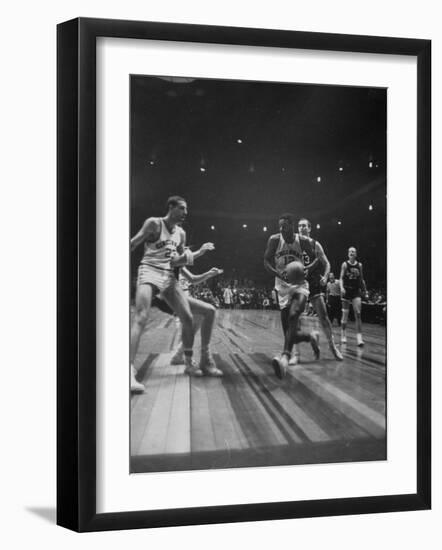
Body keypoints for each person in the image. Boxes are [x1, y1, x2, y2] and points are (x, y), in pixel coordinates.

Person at [130, 195, 214, 392]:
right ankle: (128, 371)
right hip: (149, 270)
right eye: (182, 208)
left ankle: (187, 362)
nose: (186, 212)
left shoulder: (181, 234)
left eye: (187, 209)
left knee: (187, 317)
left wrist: (197, 254)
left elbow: (177, 260)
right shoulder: (154, 224)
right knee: (141, 316)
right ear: (171, 207)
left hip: (169, 276)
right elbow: (133, 243)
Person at [264, 213, 320, 379]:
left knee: (294, 314)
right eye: (279, 226)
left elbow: (317, 258)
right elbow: (266, 261)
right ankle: (311, 336)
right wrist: (279, 274)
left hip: (300, 285)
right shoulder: (274, 240)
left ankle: (284, 359)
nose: (281, 229)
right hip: (282, 286)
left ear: (292, 226)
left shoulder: (302, 241)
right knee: (290, 332)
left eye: (285, 226)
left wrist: (308, 269)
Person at [297, 219, 343, 361]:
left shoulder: (315, 244)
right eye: (299, 226)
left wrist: (325, 276)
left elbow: (327, 263)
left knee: (323, 317)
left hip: (314, 282)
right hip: (299, 282)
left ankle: (332, 346)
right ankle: (296, 354)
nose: (301, 228)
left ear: (309, 228)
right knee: (296, 318)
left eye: (304, 225)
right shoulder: (294, 242)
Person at [168, 266, 224, 377]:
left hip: (181, 295)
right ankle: (202, 360)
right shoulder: (168, 257)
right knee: (204, 314)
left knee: (198, 317)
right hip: (170, 295)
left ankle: (179, 355)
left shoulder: (179, 264)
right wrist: (199, 252)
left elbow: (193, 279)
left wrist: (208, 273)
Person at [339, 246, 368, 346]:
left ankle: (359, 338)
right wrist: (342, 287)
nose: (351, 252)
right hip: (346, 290)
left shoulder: (359, 265)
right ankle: (343, 335)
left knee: (358, 313)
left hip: (356, 291)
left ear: (356, 254)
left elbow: (361, 279)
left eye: (353, 251)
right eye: (350, 251)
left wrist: (365, 290)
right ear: (348, 254)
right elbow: (341, 278)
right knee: (345, 315)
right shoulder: (345, 264)